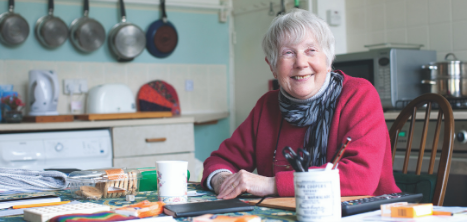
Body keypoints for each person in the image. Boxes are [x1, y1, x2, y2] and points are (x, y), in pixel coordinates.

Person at [201, 9, 401, 199]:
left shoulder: (358, 95)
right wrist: (222, 180)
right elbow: (221, 161)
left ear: (328, 60)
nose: (301, 63)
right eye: (288, 53)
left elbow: (360, 178)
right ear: (272, 66)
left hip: (364, 213)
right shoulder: (267, 105)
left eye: (311, 50)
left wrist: (270, 184)